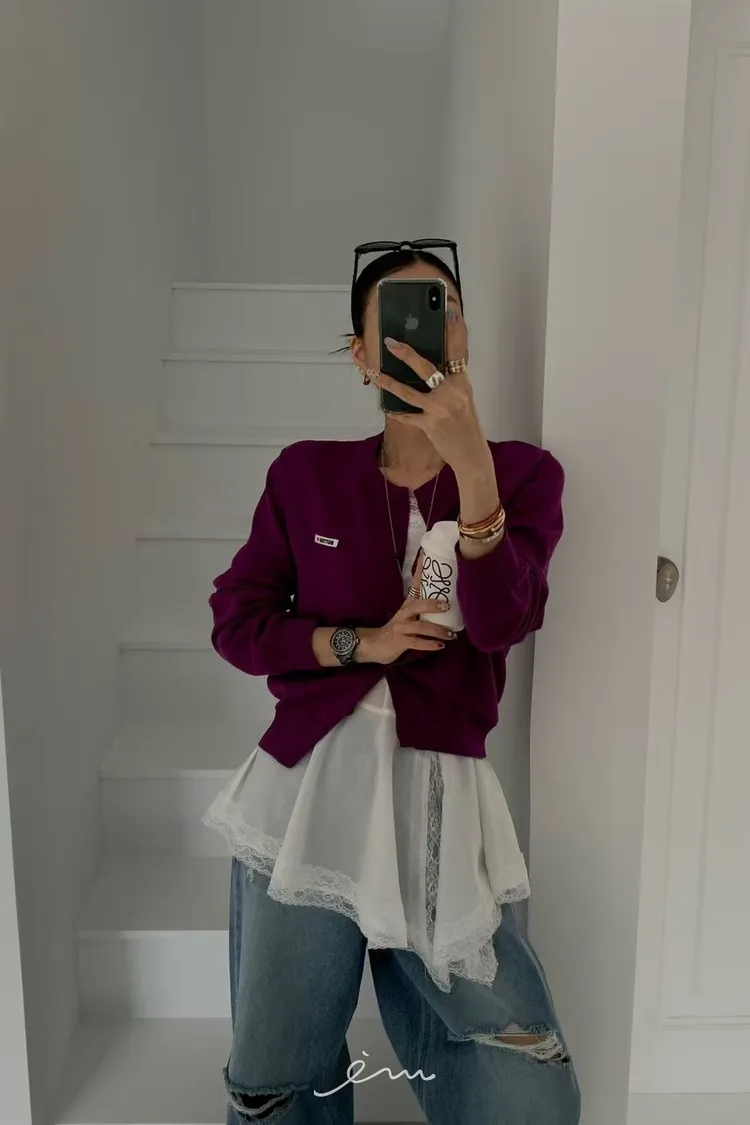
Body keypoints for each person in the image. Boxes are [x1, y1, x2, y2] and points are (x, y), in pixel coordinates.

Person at [202, 240, 581, 1125]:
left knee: (522, 1075)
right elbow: (237, 620)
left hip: (438, 795)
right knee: (273, 1073)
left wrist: (474, 470)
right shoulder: (306, 473)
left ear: (466, 336)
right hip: (308, 798)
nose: (426, 333)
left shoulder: (525, 474)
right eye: (401, 320)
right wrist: (358, 643)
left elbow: (504, 621)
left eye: (444, 310)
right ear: (362, 353)